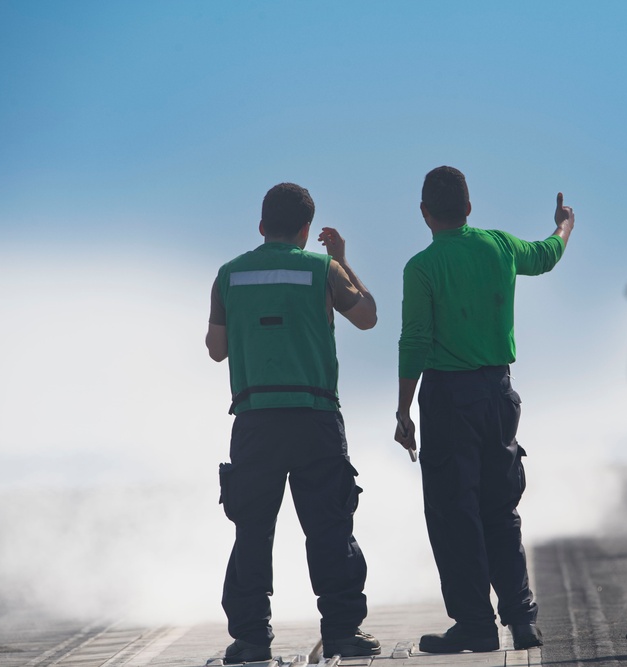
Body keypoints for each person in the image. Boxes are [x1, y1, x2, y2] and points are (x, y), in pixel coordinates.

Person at [394, 166, 574, 654]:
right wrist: (564, 224)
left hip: (448, 399)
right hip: (499, 394)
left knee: (456, 515)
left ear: (425, 213)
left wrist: (403, 410)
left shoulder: (422, 267)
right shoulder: (499, 246)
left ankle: (475, 623)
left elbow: (415, 341)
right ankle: (521, 619)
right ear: (469, 208)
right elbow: (548, 254)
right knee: (501, 506)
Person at [205, 183, 381, 664]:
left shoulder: (228, 276)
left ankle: (251, 640)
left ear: (261, 227)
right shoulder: (323, 270)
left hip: (255, 421)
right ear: (306, 230)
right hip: (316, 419)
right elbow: (367, 317)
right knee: (329, 528)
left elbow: (216, 349)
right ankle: (343, 633)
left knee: (252, 532)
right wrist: (342, 259)